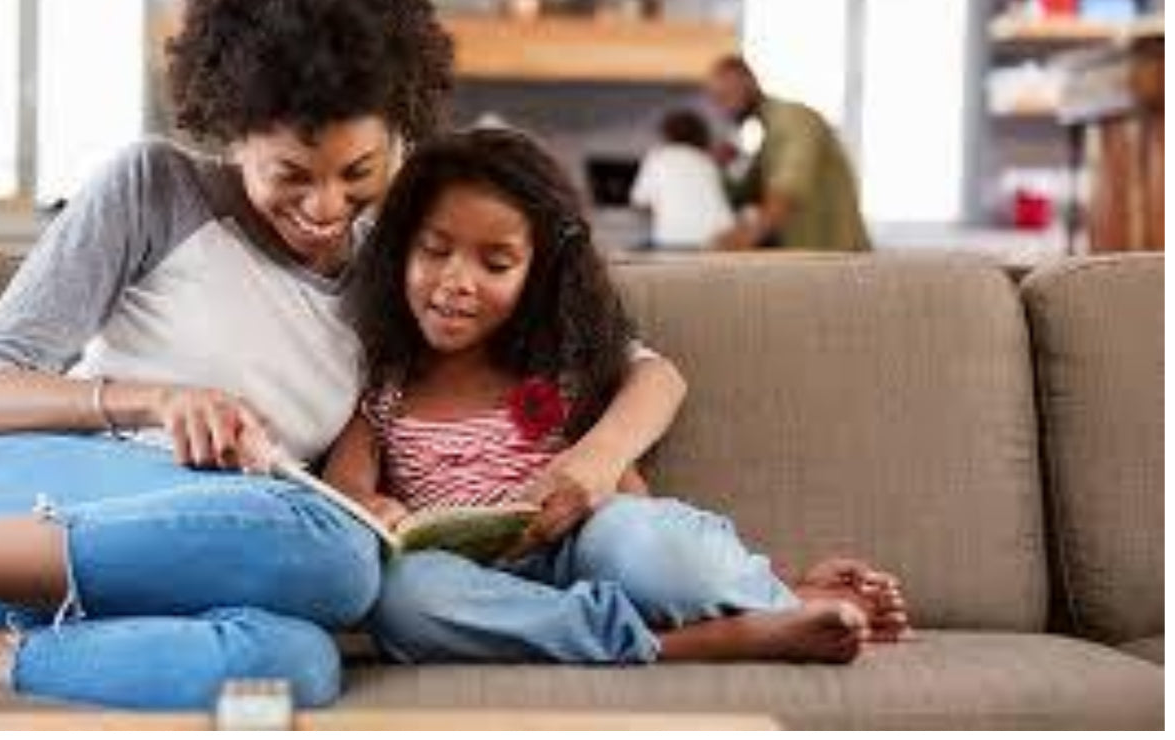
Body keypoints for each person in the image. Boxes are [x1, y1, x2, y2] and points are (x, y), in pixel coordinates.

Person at [0, 0, 689, 710]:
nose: (326, 208)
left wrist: (595, 458)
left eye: (358, 173)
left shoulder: (406, 264)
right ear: (232, 131)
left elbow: (644, 373)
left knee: (297, 665)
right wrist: (157, 400)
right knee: (335, 552)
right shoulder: (153, 189)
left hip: (171, 574)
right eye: (291, 175)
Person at [325, 127, 911, 667]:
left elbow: (632, 503)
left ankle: (778, 592)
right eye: (434, 251)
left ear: (539, 273)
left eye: (496, 263)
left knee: (636, 541)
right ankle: (703, 638)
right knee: (402, 598)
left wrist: (606, 487)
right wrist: (371, 508)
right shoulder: (386, 387)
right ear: (400, 250)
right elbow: (346, 486)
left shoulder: (552, 373)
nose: (457, 281)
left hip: (581, 551)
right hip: (472, 584)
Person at [704, 55, 872, 252]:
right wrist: (720, 165)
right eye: (716, 100)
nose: (722, 108)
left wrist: (740, 239)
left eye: (725, 96)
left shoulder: (792, 119)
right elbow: (744, 194)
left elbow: (786, 191)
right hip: (815, 259)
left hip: (839, 260)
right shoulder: (768, 137)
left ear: (748, 81)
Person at [629, 109, 734, 249]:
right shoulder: (707, 160)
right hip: (717, 239)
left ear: (667, 135)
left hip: (672, 240)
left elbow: (639, 202)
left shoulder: (657, 157)